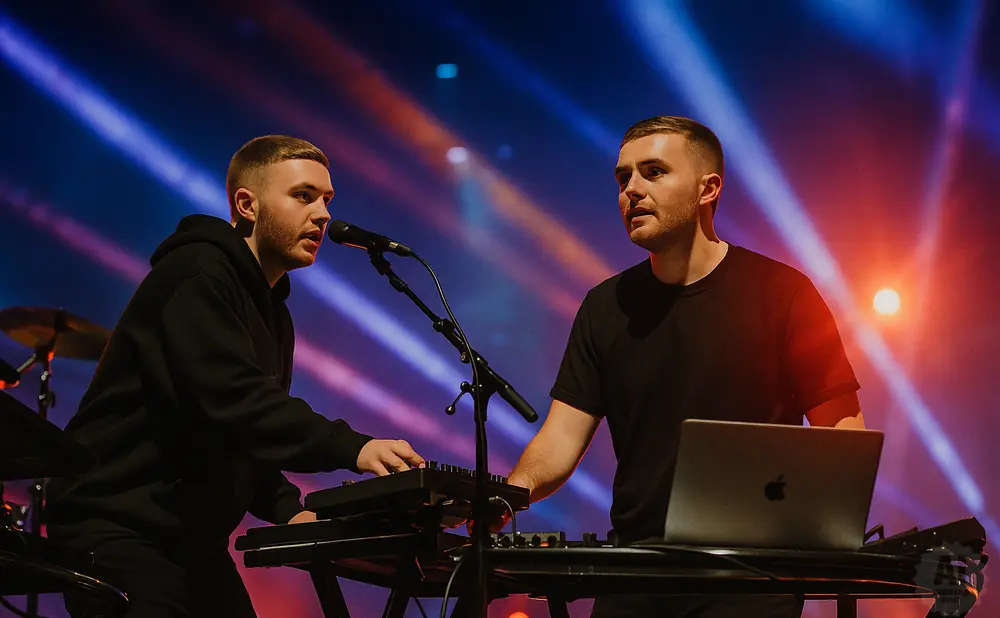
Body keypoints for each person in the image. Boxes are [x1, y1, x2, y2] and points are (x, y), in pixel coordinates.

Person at [46, 135, 425, 618]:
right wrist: (354, 447)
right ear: (247, 204)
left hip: (188, 542)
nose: (324, 214)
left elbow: (238, 434)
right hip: (120, 529)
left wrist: (290, 508)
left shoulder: (272, 310)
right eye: (304, 195)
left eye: (327, 200)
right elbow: (233, 400)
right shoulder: (196, 273)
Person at [502, 117, 865, 618]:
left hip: (751, 581)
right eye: (623, 177)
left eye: (653, 172)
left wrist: (819, 534)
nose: (632, 190)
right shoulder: (603, 306)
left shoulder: (785, 294)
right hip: (633, 577)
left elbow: (844, 432)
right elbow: (559, 442)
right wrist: (501, 499)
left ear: (707, 189)